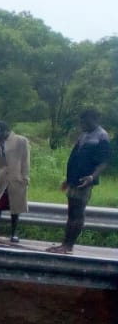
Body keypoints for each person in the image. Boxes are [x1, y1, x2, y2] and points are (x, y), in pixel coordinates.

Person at [49, 109, 111, 255]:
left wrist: (92, 177)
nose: (81, 124)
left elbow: (105, 161)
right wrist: (68, 179)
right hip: (74, 180)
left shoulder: (102, 136)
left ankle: (68, 246)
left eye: (85, 121)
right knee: (71, 212)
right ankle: (64, 244)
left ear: (94, 120)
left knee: (77, 213)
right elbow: (76, 157)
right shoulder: (84, 134)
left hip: (85, 181)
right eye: (81, 121)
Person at [0, 120, 30, 243]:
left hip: (16, 177)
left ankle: (14, 233)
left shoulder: (20, 141)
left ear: (6, 132)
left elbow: (25, 160)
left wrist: (25, 178)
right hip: (1, 178)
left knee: (15, 207)